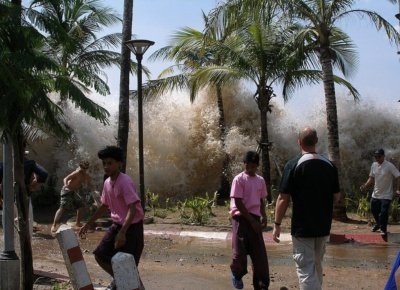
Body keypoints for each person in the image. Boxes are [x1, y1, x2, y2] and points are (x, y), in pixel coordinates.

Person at [273, 127, 340, 290]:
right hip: (323, 226)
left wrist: (277, 224)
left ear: (299, 142)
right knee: (317, 266)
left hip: (303, 228)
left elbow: (283, 198)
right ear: (316, 142)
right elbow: (337, 196)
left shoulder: (293, 164)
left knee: (305, 269)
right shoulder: (329, 165)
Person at [79, 146, 144, 290]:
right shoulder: (107, 182)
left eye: (110, 163)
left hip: (131, 228)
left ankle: (128, 283)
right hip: (117, 225)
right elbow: (104, 206)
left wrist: (123, 232)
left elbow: (132, 209)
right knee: (100, 255)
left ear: (119, 163)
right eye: (104, 163)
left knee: (127, 264)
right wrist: (88, 223)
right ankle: (121, 279)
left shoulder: (125, 181)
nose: (106, 166)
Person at [229, 150, 269, 290]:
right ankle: (236, 274)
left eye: (253, 166)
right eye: (248, 165)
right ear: (244, 164)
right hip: (241, 218)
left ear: (257, 166)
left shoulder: (260, 180)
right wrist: (252, 221)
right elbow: (238, 202)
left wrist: (263, 215)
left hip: (255, 218)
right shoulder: (239, 179)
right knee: (239, 252)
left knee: (259, 256)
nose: (250, 168)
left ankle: (261, 285)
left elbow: (260, 199)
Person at [360, 148, 400, 236]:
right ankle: (378, 224)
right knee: (374, 210)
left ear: (383, 156)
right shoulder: (374, 165)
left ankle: (383, 229)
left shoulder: (389, 166)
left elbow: (398, 176)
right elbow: (371, 178)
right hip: (376, 193)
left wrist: (398, 189)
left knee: (383, 212)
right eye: (375, 157)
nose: (377, 158)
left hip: (386, 194)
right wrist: (365, 186)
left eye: (379, 156)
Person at [51, 160, 94, 233]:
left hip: (75, 192)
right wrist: (65, 185)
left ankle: (77, 223)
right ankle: (54, 225)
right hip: (67, 190)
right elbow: (66, 178)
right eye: (82, 168)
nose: (83, 169)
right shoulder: (76, 172)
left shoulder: (86, 175)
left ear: (87, 168)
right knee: (62, 208)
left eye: (85, 168)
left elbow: (90, 183)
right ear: (80, 166)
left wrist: (93, 190)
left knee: (81, 206)